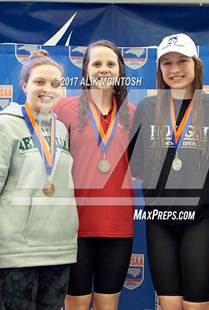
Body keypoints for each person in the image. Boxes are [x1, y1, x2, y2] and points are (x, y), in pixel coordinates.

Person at [130, 33, 209, 310]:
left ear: (196, 65)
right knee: (168, 304)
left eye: (181, 61)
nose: (174, 69)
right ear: (159, 69)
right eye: (167, 63)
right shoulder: (146, 108)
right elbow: (137, 165)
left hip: (201, 220)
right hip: (159, 221)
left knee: (197, 305)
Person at [0, 50, 78, 310]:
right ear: (25, 85)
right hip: (18, 252)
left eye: (55, 83)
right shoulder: (1, 127)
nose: (47, 88)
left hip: (59, 250)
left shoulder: (61, 130)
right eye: (39, 81)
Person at [53, 40, 135, 310]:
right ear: (85, 70)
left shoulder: (132, 114)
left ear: (120, 70)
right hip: (73, 224)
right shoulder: (64, 108)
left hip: (117, 223)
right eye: (96, 63)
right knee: (75, 303)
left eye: (110, 64)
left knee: (107, 304)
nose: (103, 69)